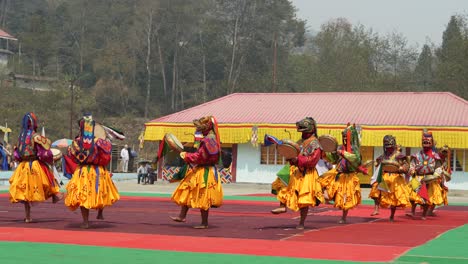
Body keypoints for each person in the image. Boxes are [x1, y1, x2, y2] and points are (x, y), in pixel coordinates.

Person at [65, 113, 120, 228]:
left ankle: (85, 222)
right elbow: (107, 157)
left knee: (82, 195)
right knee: (100, 192)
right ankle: (100, 212)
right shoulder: (100, 142)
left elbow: (71, 155)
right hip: (98, 171)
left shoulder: (76, 142)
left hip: (83, 171)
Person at [170, 116, 223, 229]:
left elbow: (201, 157)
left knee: (203, 196)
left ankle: (204, 223)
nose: (198, 131)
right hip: (200, 169)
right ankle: (182, 216)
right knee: (188, 188)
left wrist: (186, 156)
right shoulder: (210, 139)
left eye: (200, 128)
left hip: (205, 171)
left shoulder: (209, 140)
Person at [271, 117, 324, 230]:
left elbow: (313, 160)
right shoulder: (301, 141)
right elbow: (293, 152)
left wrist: (298, 160)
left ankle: (301, 222)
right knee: (281, 180)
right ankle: (282, 206)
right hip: (295, 169)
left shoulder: (315, 144)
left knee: (303, 199)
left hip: (307, 173)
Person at [8, 112, 62, 223]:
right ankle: (55, 195)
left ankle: (28, 216)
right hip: (34, 165)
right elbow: (43, 153)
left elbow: (17, 155)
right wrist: (50, 158)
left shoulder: (20, 137)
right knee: (48, 178)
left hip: (23, 166)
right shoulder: (35, 136)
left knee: (25, 192)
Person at [319, 124, 363, 224]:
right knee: (320, 180)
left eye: (345, 136)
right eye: (343, 136)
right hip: (338, 174)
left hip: (349, 176)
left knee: (345, 198)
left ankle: (343, 217)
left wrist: (343, 153)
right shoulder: (340, 147)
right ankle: (326, 197)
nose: (344, 138)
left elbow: (355, 159)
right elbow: (334, 160)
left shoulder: (355, 149)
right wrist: (327, 153)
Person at [371, 135, 411, 222]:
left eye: (390, 145)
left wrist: (402, 168)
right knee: (375, 191)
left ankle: (392, 216)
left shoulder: (399, 156)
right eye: (386, 145)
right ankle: (376, 209)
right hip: (384, 177)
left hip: (395, 178)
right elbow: (378, 165)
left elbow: (406, 166)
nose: (388, 147)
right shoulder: (383, 156)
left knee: (394, 198)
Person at [407, 130, 443, 219]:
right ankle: (412, 212)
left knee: (426, 199)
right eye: (424, 142)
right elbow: (412, 165)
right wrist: (412, 170)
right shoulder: (417, 155)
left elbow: (439, 168)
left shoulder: (435, 156)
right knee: (413, 197)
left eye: (428, 142)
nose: (426, 143)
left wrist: (435, 175)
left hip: (430, 179)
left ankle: (424, 214)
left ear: (431, 143)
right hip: (417, 178)